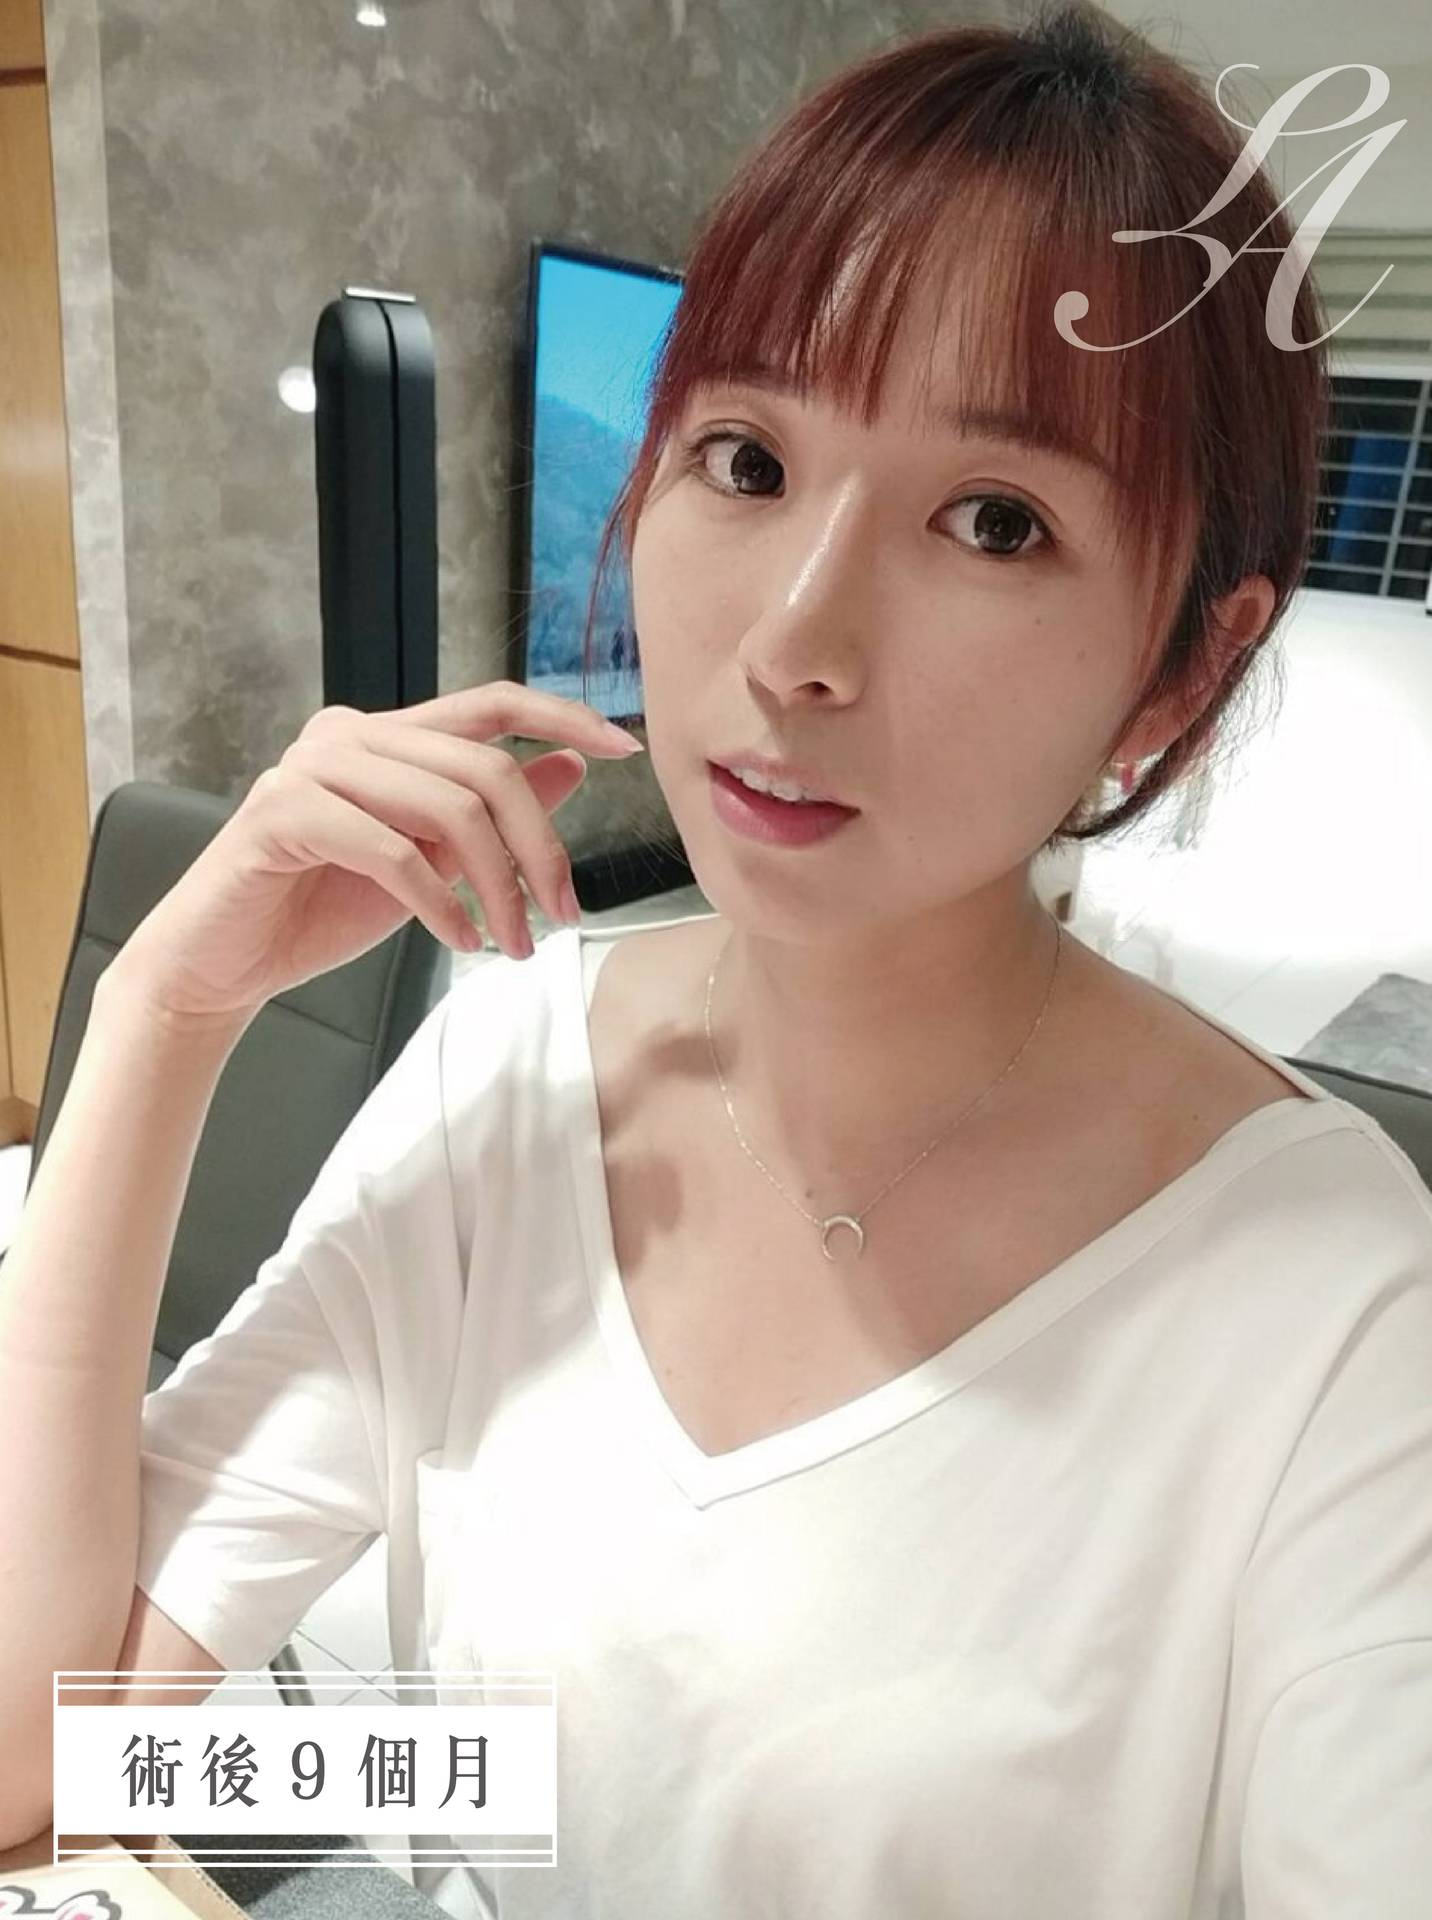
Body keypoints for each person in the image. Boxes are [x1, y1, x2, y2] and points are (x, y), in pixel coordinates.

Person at [3, 4, 1429, 1914]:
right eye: (746, 460)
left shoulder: (1334, 1303)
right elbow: (53, 1745)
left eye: (993, 520)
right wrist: (162, 1014)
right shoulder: (512, 1072)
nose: (795, 644)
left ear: (1179, 669)